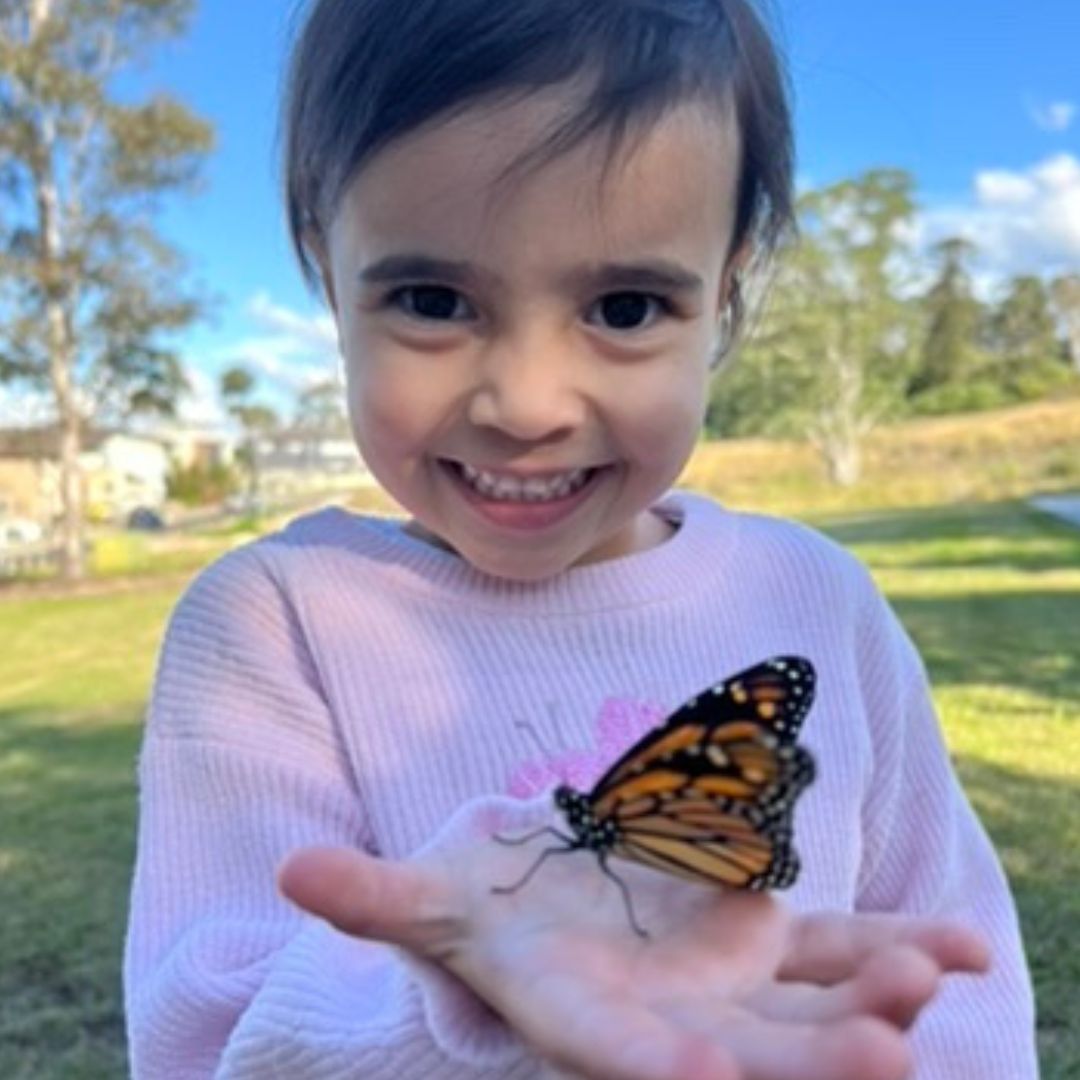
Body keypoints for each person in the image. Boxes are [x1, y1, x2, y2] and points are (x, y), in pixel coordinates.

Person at [123, 0, 1038, 1077]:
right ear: (329, 271)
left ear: (728, 287)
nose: (527, 403)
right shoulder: (276, 625)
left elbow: (953, 981)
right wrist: (484, 1000)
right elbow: (205, 1032)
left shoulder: (818, 601)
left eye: (627, 308)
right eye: (432, 298)